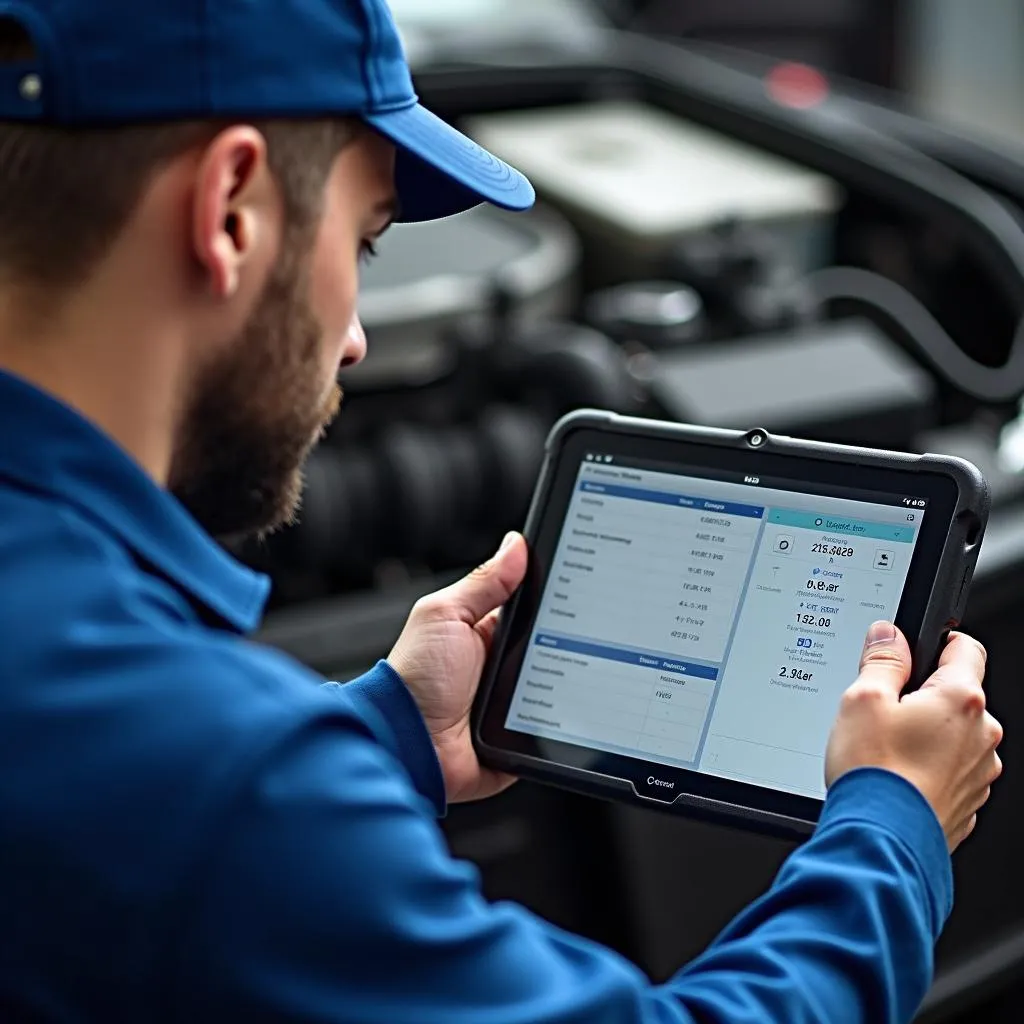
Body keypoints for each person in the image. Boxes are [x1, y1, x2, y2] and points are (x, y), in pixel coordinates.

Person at [0, 1, 1003, 1021]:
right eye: (366, 240)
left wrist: (391, 729)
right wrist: (893, 825)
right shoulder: (217, 779)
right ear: (231, 209)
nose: (350, 338)